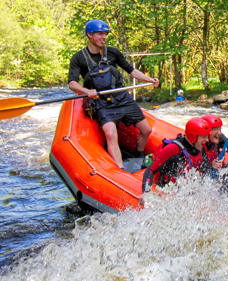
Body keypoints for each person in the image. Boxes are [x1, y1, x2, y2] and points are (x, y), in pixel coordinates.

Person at [68, 19, 160, 169]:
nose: (104, 37)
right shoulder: (78, 58)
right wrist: (86, 91)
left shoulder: (113, 52)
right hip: (102, 103)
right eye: (100, 34)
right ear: (89, 35)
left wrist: (149, 79)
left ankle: (138, 157)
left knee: (146, 129)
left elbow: (132, 71)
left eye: (105, 34)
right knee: (111, 134)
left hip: (122, 97)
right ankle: (120, 170)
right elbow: (72, 83)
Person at [141, 118, 212, 192]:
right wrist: (145, 192)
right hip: (168, 190)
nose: (207, 140)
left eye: (207, 136)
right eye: (204, 137)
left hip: (186, 191)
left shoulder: (200, 147)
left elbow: (208, 170)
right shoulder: (173, 149)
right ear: (192, 136)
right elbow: (151, 170)